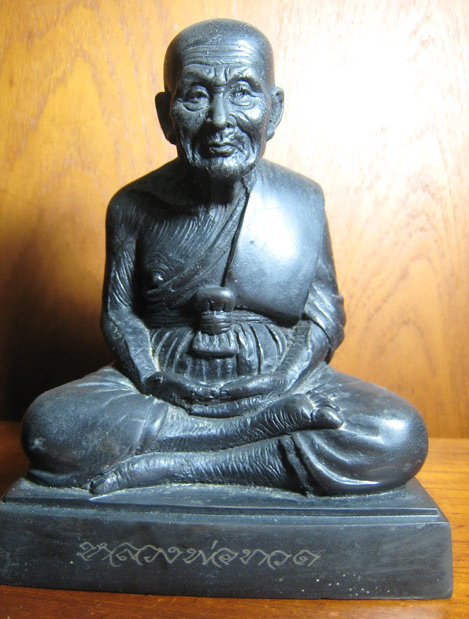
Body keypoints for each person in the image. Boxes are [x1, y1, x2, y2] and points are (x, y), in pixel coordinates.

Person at [22, 19, 427, 495]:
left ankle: (178, 465)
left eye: (242, 94)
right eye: (196, 96)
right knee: (50, 428)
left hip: (279, 384)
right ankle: (248, 441)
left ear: (274, 111)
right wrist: (153, 378)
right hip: (166, 391)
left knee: (397, 434)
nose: (220, 119)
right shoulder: (134, 206)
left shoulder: (300, 200)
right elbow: (119, 314)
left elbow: (323, 312)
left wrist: (284, 377)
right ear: (166, 114)